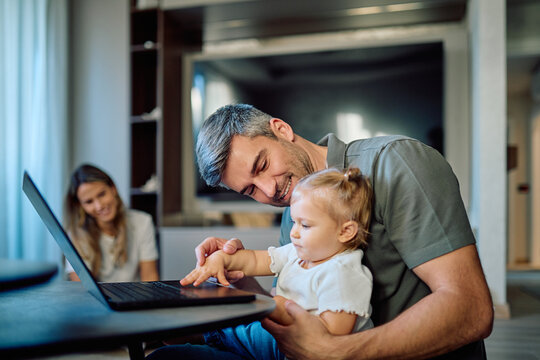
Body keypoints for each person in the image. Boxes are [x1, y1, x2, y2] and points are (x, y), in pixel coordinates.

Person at [183, 103, 494, 360]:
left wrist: (336, 352)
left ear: (281, 129)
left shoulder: (396, 163)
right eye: (250, 189)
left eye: (262, 165)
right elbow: (297, 312)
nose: (269, 190)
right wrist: (240, 272)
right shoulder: (294, 214)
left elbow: (471, 309)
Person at [148, 167, 374, 360]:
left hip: (301, 352)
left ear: (345, 232)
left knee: (254, 330)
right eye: (294, 222)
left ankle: (210, 334)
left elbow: (331, 338)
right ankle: (211, 334)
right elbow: (255, 259)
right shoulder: (300, 253)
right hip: (282, 345)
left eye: (305, 225)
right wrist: (222, 259)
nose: (293, 233)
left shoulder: (345, 272)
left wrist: (279, 309)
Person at [64, 164, 159, 282]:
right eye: (89, 202)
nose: (99, 206)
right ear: (81, 206)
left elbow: (150, 278)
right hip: (97, 301)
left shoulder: (142, 222)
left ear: (113, 189)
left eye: (102, 194)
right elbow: (81, 288)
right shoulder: (76, 234)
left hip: (135, 298)